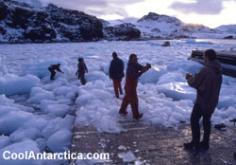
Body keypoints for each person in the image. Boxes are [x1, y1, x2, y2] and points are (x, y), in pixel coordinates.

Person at [184, 49, 222, 151]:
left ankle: (195, 143)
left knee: (194, 120)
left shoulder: (206, 70)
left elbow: (195, 83)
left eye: (204, 56)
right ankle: (205, 143)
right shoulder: (218, 69)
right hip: (212, 100)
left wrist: (189, 78)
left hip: (203, 100)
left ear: (208, 57)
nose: (203, 58)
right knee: (206, 121)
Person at [119, 53, 151, 120]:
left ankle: (122, 111)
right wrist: (141, 72)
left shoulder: (135, 64)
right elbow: (135, 76)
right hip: (130, 87)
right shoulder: (130, 67)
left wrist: (146, 67)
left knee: (127, 99)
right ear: (131, 59)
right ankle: (136, 116)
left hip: (131, 86)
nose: (136, 60)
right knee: (134, 101)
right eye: (134, 59)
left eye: (136, 58)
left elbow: (142, 68)